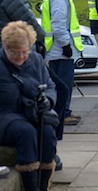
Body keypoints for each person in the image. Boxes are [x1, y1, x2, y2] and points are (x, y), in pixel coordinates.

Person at [0, 21, 58, 191]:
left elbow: (50, 86)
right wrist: (33, 93)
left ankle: (43, 186)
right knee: (26, 132)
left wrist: (48, 100)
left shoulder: (36, 60)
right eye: (14, 53)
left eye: (24, 52)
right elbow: (9, 96)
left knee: (47, 132)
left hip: (31, 112)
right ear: (5, 47)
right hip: (5, 114)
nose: (20, 57)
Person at [41, 0, 83, 127]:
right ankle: (62, 113)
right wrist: (66, 44)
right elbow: (58, 23)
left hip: (54, 47)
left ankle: (62, 111)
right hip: (61, 49)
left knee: (59, 83)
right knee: (64, 84)